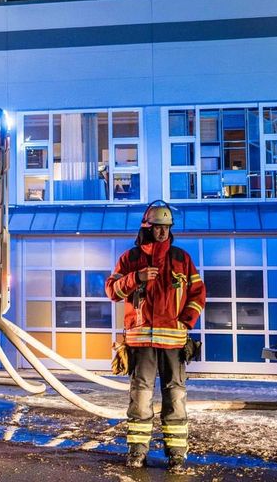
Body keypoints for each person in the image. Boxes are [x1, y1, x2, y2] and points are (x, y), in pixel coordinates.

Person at [106, 201, 206, 470]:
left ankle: (176, 454)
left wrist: (186, 322)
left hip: (173, 340)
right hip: (140, 342)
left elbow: (198, 294)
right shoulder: (130, 259)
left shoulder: (181, 259)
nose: (162, 232)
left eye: (166, 228)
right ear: (146, 227)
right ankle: (137, 451)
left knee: (175, 396)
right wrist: (136, 277)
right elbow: (112, 291)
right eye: (157, 227)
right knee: (140, 397)